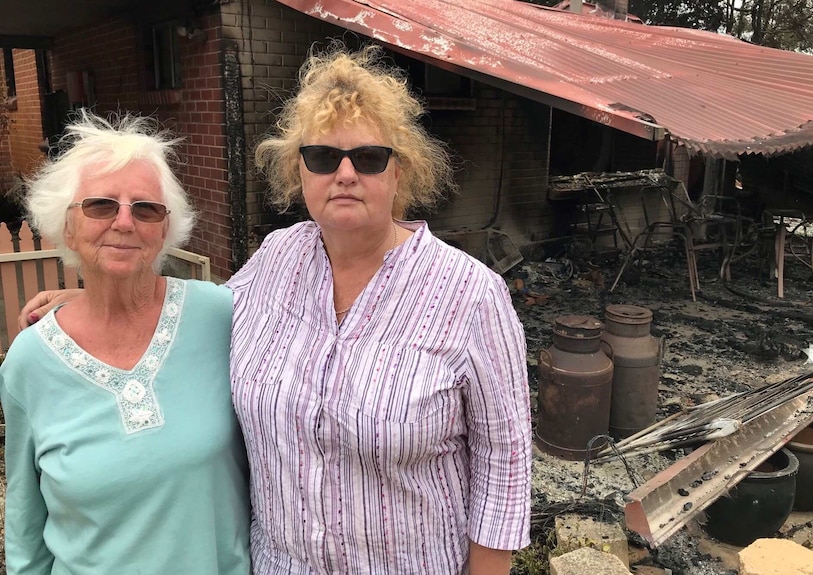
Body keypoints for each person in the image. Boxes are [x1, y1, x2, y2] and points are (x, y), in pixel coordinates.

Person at [21, 44, 532, 575]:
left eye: (370, 157)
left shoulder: (470, 294)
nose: (346, 174)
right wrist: (100, 296)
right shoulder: (276, 260)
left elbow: (506, 464)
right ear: (300, 172)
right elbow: (190, 311)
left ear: (399, 173)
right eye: (323, 157)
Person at [2, 111, 251, 575]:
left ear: (164, 230)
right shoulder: (28, 362)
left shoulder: (222, 314)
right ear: (67, 226)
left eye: (145, 208)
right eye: (99, 205)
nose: (124, 222)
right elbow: (24, 523)